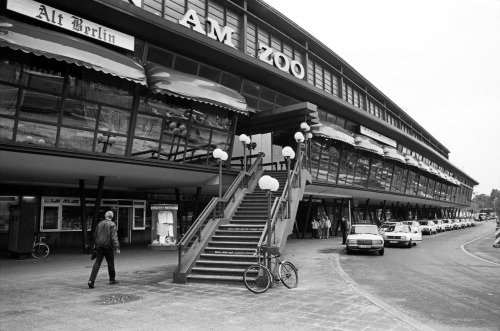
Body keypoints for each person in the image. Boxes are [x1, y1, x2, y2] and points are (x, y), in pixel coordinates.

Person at [88, 211, 120, 289]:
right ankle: (112, 279)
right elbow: (114, 237)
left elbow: (95, 235)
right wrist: (117, 247)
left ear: (105, 216)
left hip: (99, 246)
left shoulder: (100, 224)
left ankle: (91, 280)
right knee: (110, 262)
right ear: (112, 217)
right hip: (108, 247)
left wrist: (96, 245)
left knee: (97, 262)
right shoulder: (112, 224)